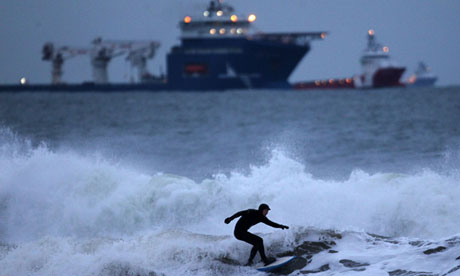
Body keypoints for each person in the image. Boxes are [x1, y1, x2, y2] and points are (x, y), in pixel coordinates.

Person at [224, 203, 289, 266]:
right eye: (266, 210)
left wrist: (281, 226)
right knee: (259, 240)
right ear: (262, 210)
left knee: (256, 243)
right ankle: (265, 260)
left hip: (242, 232)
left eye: (267, 211)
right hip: (238, 232)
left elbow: (271, 224)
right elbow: (240, 213)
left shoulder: (262, 218)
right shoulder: (252, 212)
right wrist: (230, 219)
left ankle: (250, 261)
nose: (267, 212)